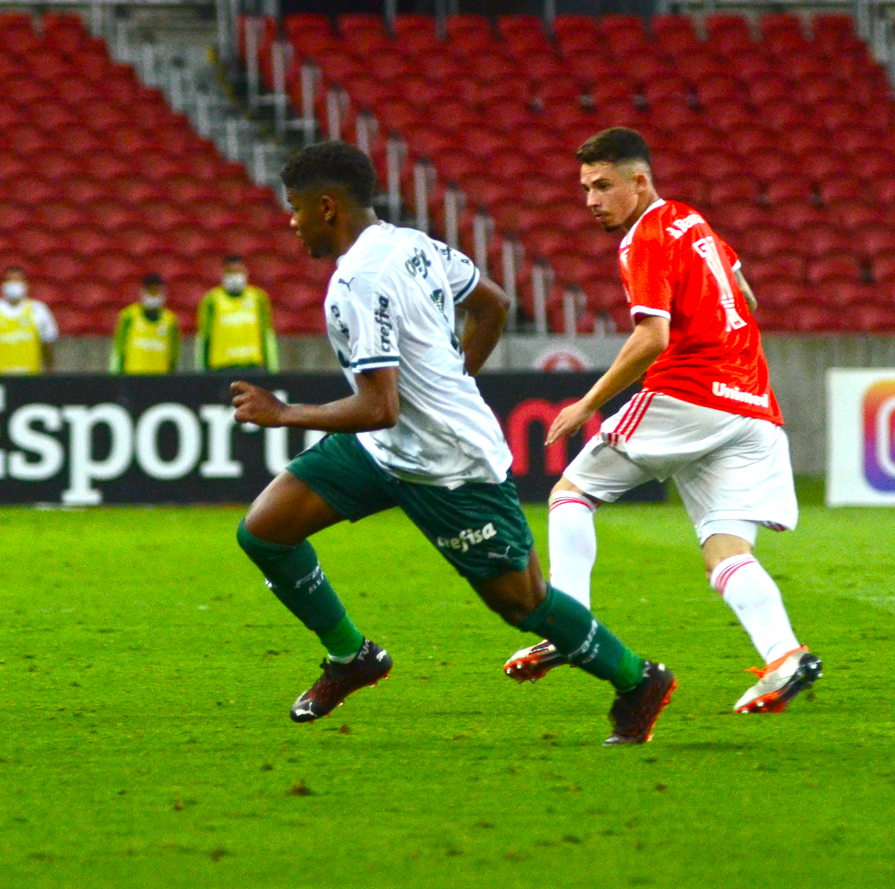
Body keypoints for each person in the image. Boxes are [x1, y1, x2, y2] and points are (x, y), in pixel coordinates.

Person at [229, 141, 674, 745]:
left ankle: (637, 678)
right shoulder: (410, 243)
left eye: (296, 207)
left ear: (328, 207)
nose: (292, 221)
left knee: (524, 604)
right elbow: (493, 303)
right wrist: (453, 376)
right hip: (386, 450)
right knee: (265, 530)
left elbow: (378, 406)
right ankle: (352, 658)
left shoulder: (358, 281)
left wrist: (286, 415)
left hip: (449, 464)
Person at [504, 128, 820, 714]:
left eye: (602, 186)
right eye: (584, 188)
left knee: (571, 493)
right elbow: (746, 298)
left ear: (639, 181)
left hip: (689, 393)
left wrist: (586, 403)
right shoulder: (692, 221)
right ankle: (784, 656)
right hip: (751, 405)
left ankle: (569, 626)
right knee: (725, 551)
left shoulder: (643, 237)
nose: (591, 200)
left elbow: (652, 337)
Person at [195, 255, 278, 373]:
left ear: (246, 272)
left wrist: (272, 369)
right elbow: (204, 339)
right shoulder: (211, 300)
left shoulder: (258, 298)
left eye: (238, 271)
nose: (235, 276)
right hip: (221, 369)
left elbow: (267, 335)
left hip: (252, 367)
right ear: (222, 273)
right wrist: (202, 372)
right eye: (230, 272)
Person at [0, 266, 57, 375]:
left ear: (26, 285)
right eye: (9, 280)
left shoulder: (39, 309)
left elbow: (47, 343)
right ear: (2, 285)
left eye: (18, 280)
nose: (13, 284)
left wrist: (48, 370)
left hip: (31, 378)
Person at [109, 273, 181, 375]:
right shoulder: (129, 316)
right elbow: (118, 350)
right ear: (143, 292)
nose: (154, 295)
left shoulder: (170, 320)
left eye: (157, 291)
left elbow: (174, 355)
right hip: (133, 378)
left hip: (160, 379)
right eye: (150, 291)